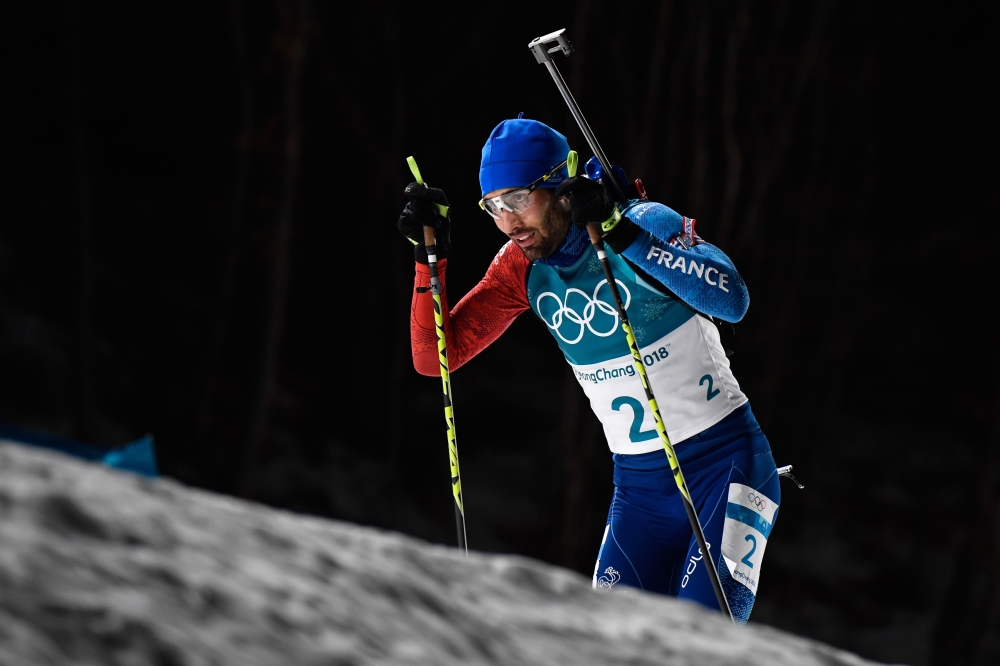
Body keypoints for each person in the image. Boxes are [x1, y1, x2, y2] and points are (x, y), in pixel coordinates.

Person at [398, 117, 779, 624]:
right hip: (639, 492)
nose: (508, 222)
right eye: (493, 206)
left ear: (558, 187)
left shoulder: (638, 221)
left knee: (702, 648)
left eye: (517, 199)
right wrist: (431, 262)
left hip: (723, 469)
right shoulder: (520, 267)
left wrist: (626, 235)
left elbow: (732, 300)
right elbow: (434, 358)